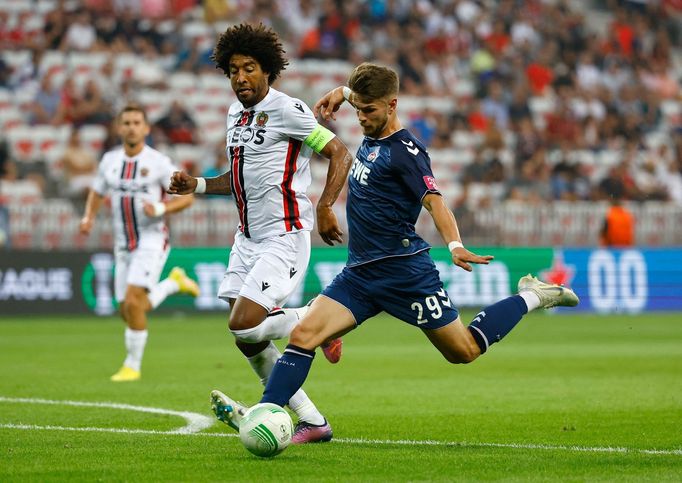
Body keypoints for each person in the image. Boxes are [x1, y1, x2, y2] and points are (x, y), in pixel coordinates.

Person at [214, 62, 580, 433]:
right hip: (359, 274)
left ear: (392, 105)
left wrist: (454, 244)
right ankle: (268, 415)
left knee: (463, 351)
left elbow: (435, 201)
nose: (361, 118)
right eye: (358, 109)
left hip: (405, 272)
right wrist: (341, 93)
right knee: (304, 336)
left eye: (368, 111)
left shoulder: (407, 152)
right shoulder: (369, 117)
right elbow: (356, 95)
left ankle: (534, 294)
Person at [167, 23, 354, 443]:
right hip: (246, 239)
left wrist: (324, 206)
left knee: (246, 324)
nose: (240, 78)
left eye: (249, 68)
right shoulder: (236, 115)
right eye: (233, 70)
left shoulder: (289, 109)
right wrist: (196, 185)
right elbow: (237, 178)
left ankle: (322, 320)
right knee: (247, 340)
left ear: (267, 70)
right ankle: (312, 420)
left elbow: (339, 152)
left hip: (284, 236)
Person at [79, 104, 200, 382]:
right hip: (123, 243)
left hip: (152, 239)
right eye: (127, 122)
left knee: (134, 301)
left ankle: (132, 366)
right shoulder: (109, 160)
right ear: (119, 128)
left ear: (146, 129)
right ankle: (173, 283)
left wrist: (159, 209)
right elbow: (97, 192)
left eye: (137, 122)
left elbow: (188, 196)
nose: (131, 127)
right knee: (128, 309)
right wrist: (88, 218)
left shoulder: (158, 162)